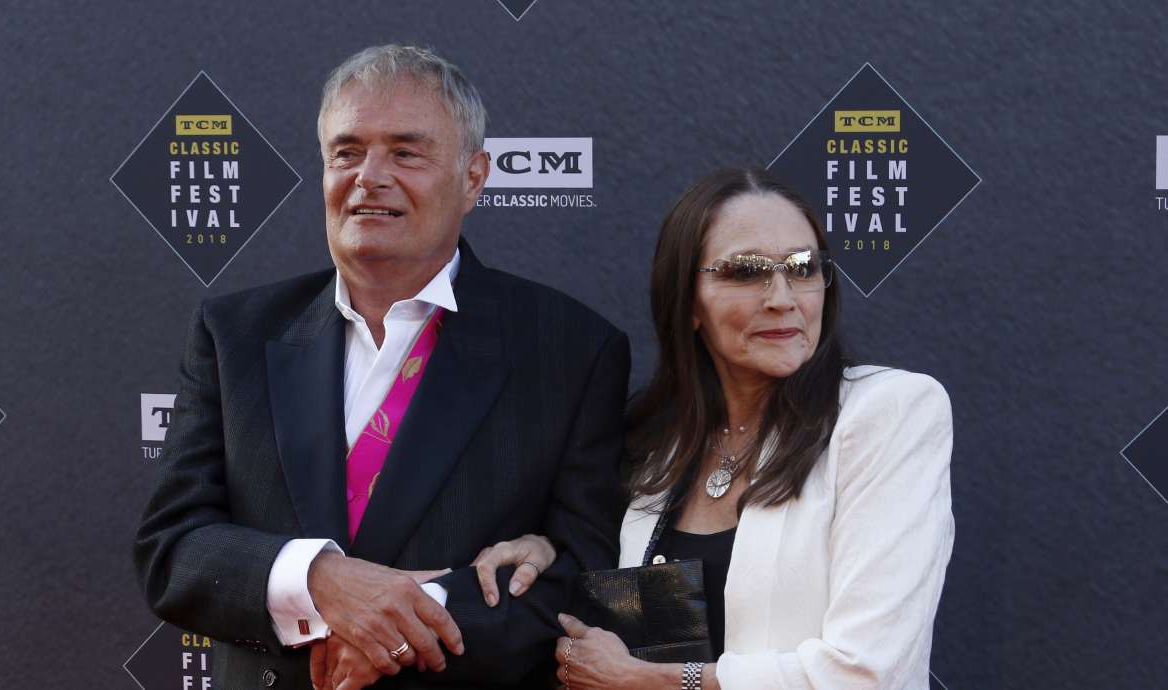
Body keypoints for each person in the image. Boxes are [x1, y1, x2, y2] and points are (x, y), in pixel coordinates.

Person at [132, 45, 629, 690]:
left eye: (405, 152)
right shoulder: (236, 334)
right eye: (346, 152)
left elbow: (585, 575)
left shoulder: (571, 349)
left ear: (473, 178)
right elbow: (174, 549)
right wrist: (323, 581)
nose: (369, 175)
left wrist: (399, 623)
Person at [475, 167, 954, 689]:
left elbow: (865, 673)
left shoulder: (885, 412)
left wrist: (650, 680)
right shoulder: (655, 443)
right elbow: (626, 599)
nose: (781, 297)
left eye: (802, 267)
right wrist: (548, 555)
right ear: (687, 302)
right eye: (744, 272)